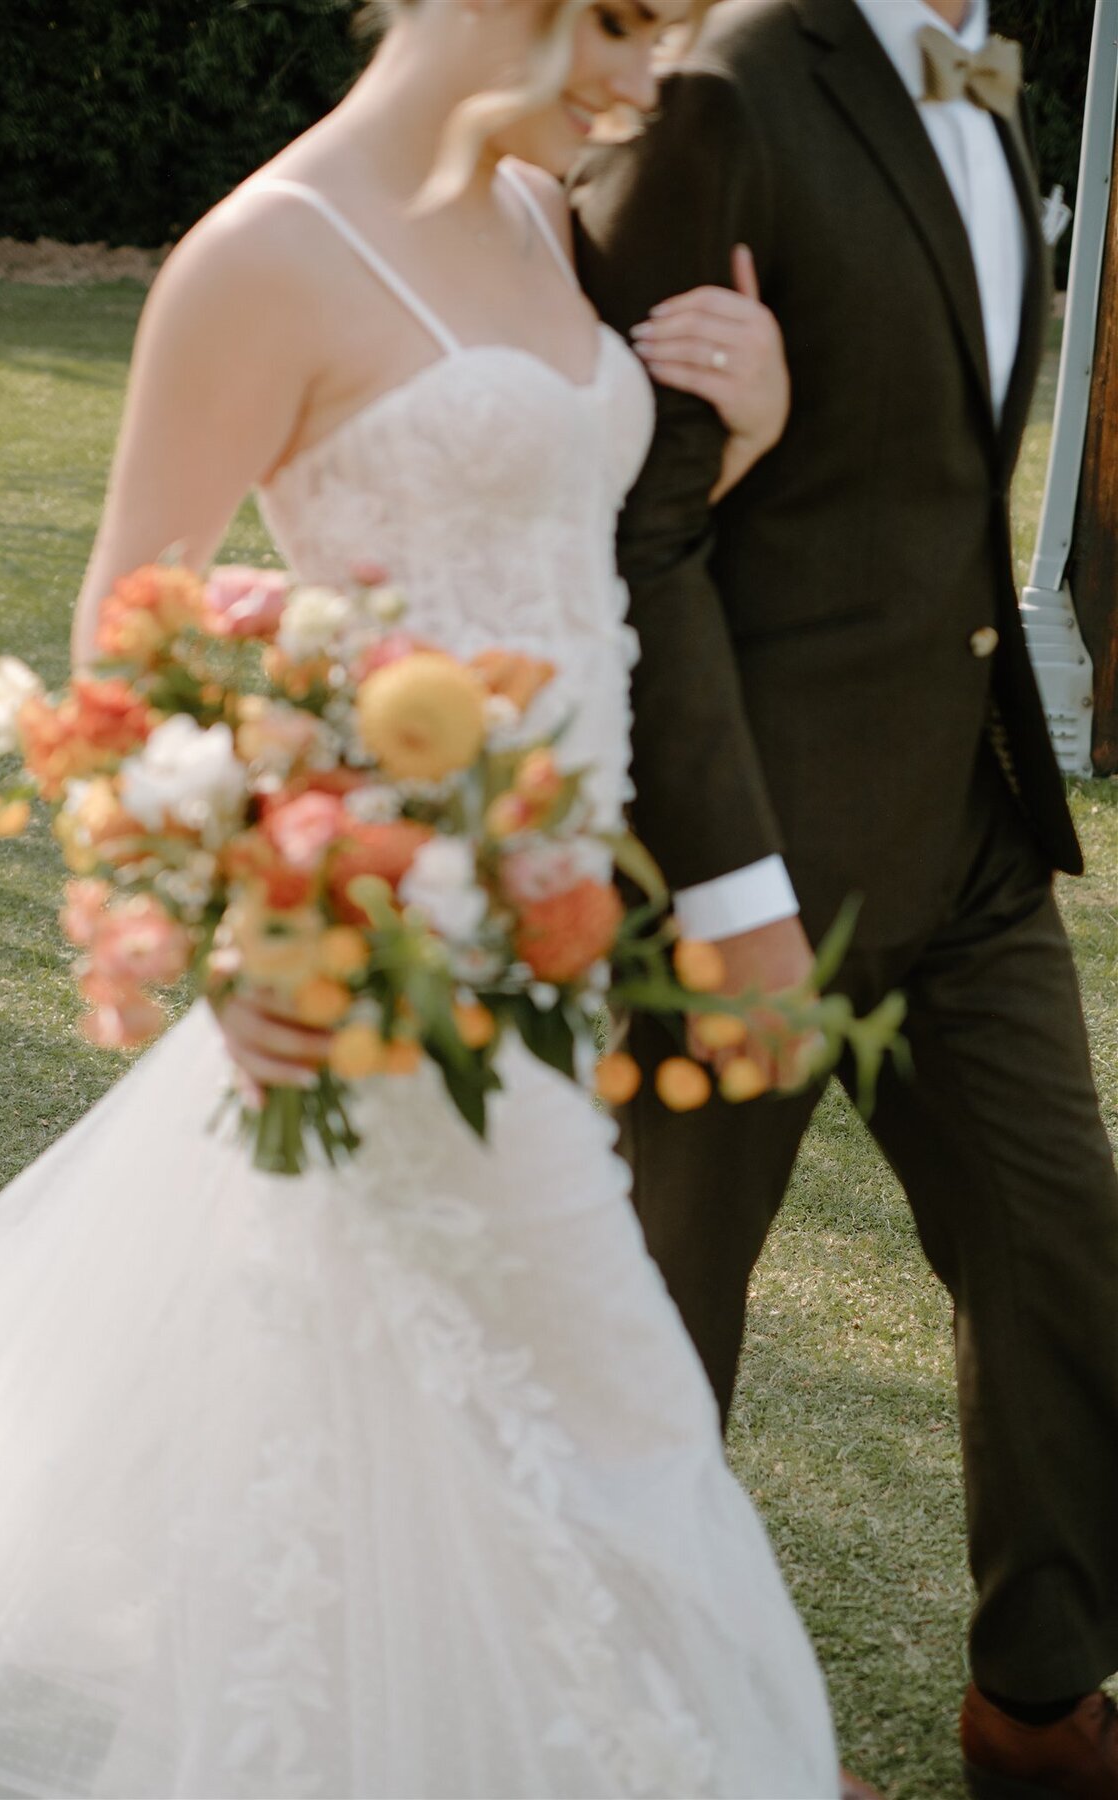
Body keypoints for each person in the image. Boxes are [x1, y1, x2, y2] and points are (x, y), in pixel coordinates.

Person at [0, 1, 842, 1795]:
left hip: (549, 979)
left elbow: (568, 554)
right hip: (384, 976)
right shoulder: (264, 259)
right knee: (625, 1442)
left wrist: (744, 428)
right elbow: (125, 647)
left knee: (405, 1494)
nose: (647, 88)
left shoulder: (534, 219)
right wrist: (224, 942)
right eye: (623, 27)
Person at [571, 0, 1118, 1794]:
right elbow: (626, 522)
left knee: (1063, 1255)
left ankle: (1037, 1704)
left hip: (965, 827)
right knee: (665, 1335)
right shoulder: (730, 85)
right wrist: (726, 887)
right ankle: (631, 1739)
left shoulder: (989, 79)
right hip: (742, 852)